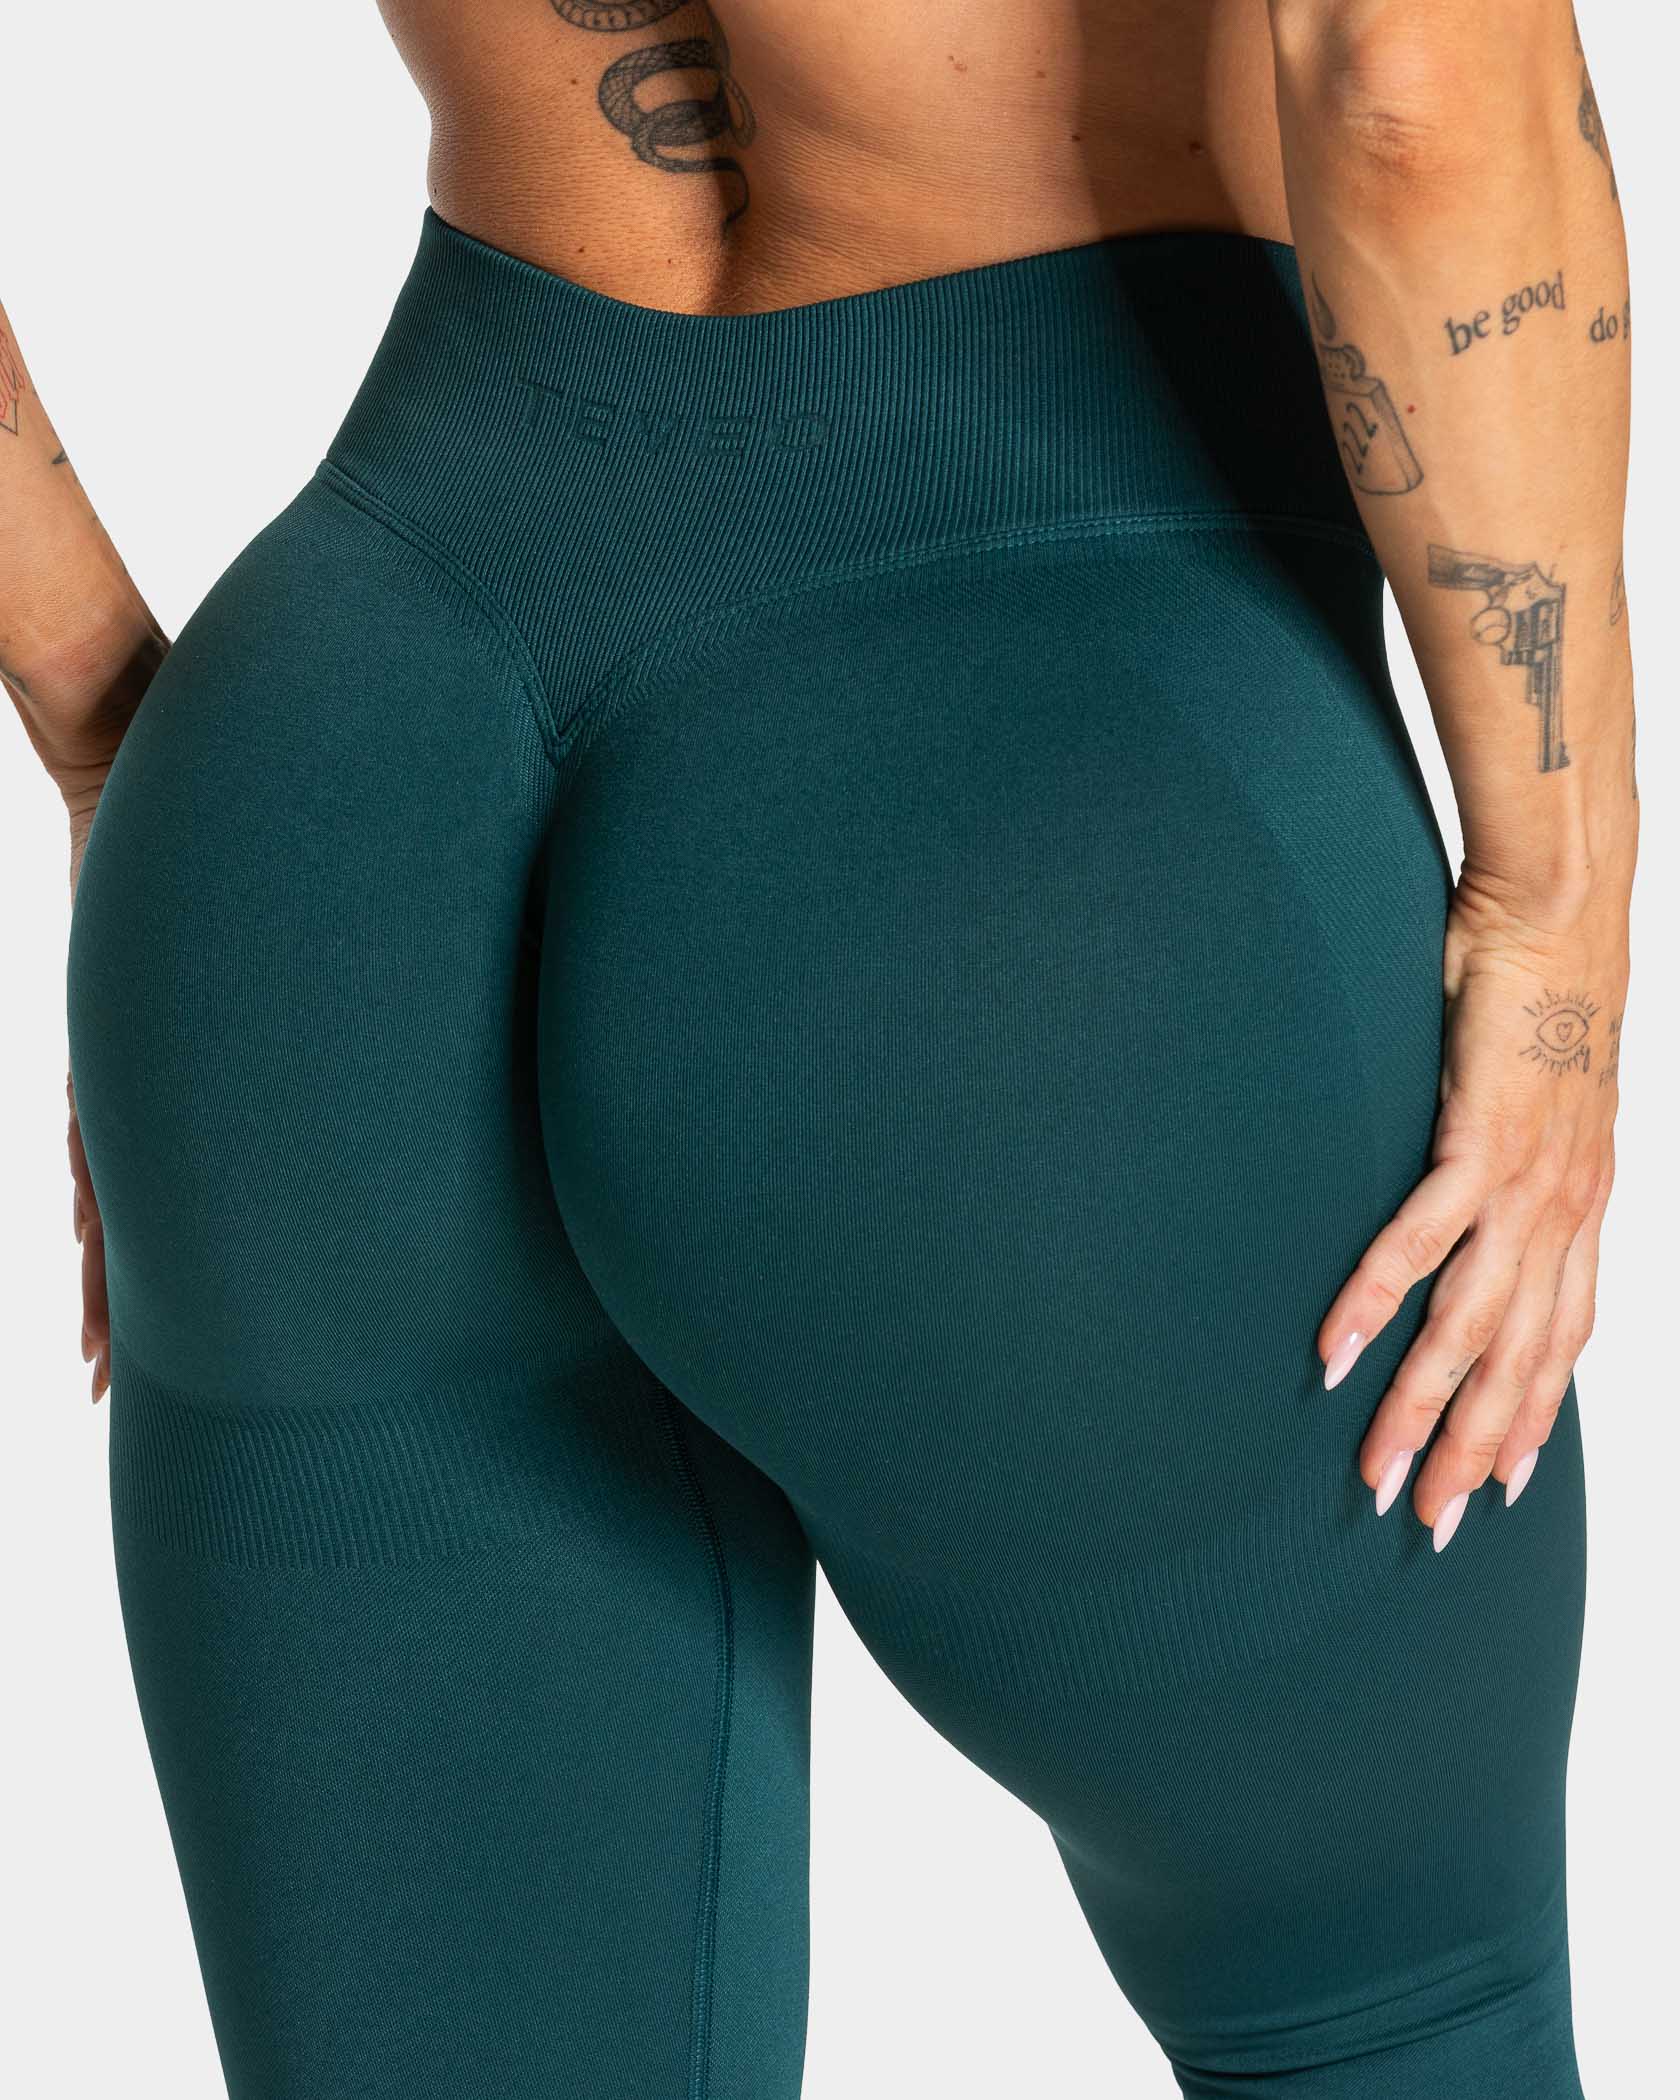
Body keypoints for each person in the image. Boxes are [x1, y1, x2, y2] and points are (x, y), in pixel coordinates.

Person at [1, 2, 1636, 2094]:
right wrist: (1555, 907)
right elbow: (1406, 80)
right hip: (1042, 826)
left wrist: (112, 744)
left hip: (338, 791)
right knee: (1398, 2019)